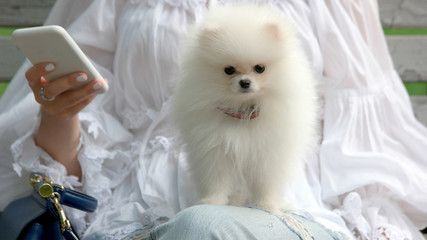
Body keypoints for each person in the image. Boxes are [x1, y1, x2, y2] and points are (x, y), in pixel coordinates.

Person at [0, 0, 425, 239]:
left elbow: (370, 139)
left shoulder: (334, 7)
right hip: (138, 213)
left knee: (203, 227)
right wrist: (59, 111)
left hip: (287, 211)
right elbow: (78, 158)